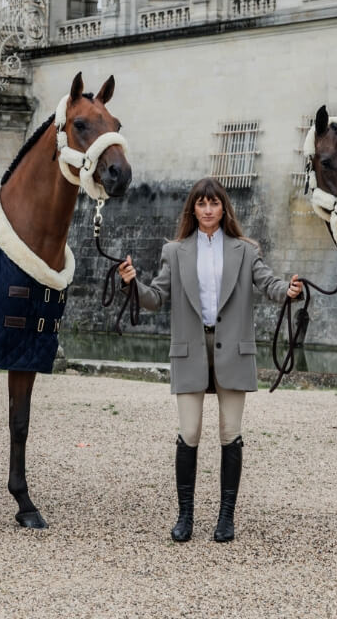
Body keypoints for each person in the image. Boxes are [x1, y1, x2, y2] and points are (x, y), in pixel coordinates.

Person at [118, 177, 303, 543]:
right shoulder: (175, 251)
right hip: (190, 350)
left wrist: (290, 291)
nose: (207, 210)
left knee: (230, 435)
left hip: (233, 350)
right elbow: (155, 297)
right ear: (193, 209)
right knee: (188, 434)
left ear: (223, 208)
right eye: (201, 204)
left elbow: (269, 284)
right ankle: (185, 516)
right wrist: (131, 284)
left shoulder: (246, 250)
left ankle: (225, 518)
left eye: (214, 204)